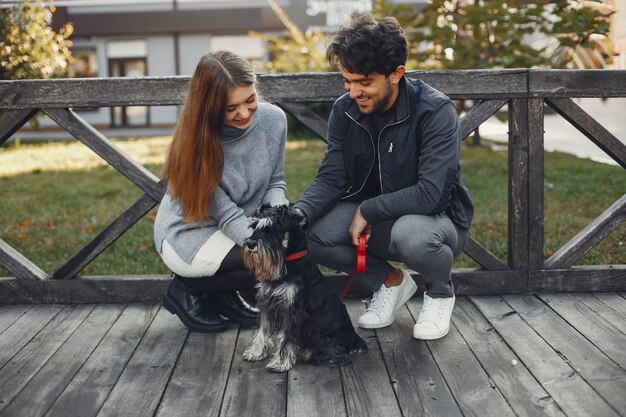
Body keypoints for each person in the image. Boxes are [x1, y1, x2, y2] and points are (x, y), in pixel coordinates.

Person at [293, 13, 473, 340]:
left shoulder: (435, 111)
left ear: (396, 74)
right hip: (375, 220)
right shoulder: (343, 111)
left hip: (436, 220)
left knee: (412, 235)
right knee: (308, 232)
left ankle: (439, 293)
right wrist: (299, 213)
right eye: (347, 81)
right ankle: (388, 283)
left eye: (364, 82)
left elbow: (431, 194)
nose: (353, 92)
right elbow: (331, 177)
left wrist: (368, 209)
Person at [154, 51, 290, 333]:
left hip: (236, 224)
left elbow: (275, 182)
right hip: (190, 232)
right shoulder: (198, 144)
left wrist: (279, 221)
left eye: (250, 100)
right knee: (272, 258)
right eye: (230, 108)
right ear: (210, 106)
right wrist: (269, 244)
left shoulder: (274, 120)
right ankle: (186, 288)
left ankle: (222, 295)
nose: (243, 113)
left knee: (284, 249)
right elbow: (227, 217)